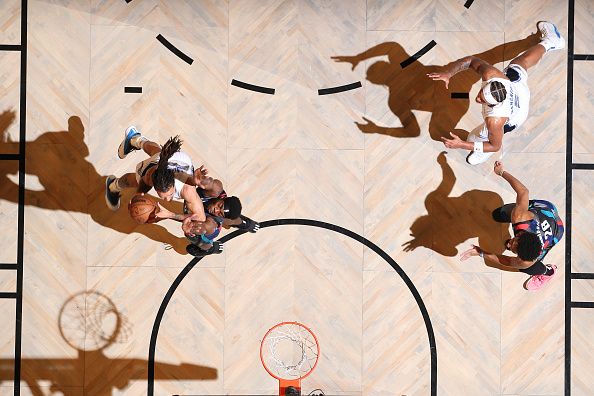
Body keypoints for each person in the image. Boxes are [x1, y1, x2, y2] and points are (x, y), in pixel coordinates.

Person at [428, 21, 565, 165]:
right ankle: (551, 41)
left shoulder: (494, 120)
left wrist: (461, 144)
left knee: (473, 139)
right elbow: (471, 60)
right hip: (517, 87)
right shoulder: (492, 74)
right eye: (481, 94)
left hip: (517, 114)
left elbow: (495, 146)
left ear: (494, 104)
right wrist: (449, 72)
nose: (477, 99)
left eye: (482, 100)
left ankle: (481, 154)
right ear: (490, 82)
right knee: (520, 62)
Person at [460, 161, 564, 291]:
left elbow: (508, 261)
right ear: (520, 234)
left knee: (528, 268)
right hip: (546, 209)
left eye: (513, 249)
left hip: (556, 231)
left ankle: (548, 272)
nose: (508, 245)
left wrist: (480, 253)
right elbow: (523, 192)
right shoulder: (520, 217)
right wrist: (501, 172)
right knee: (498, 214)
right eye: (514, 242)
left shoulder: (526, 260)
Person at [104, 127, 206, 222]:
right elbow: (142, 188)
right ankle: (113, 185)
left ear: (174, 184)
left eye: (170, 194)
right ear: (154, 185)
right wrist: (137, 196)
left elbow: (201, 218)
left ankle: (136, 139)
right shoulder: (148, 176)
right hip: (161, 162)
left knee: (158, 153)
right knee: (134, 179)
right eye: (163, 196)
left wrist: (171, 215)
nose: (167, 200)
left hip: (178, 159)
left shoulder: (188, 190)